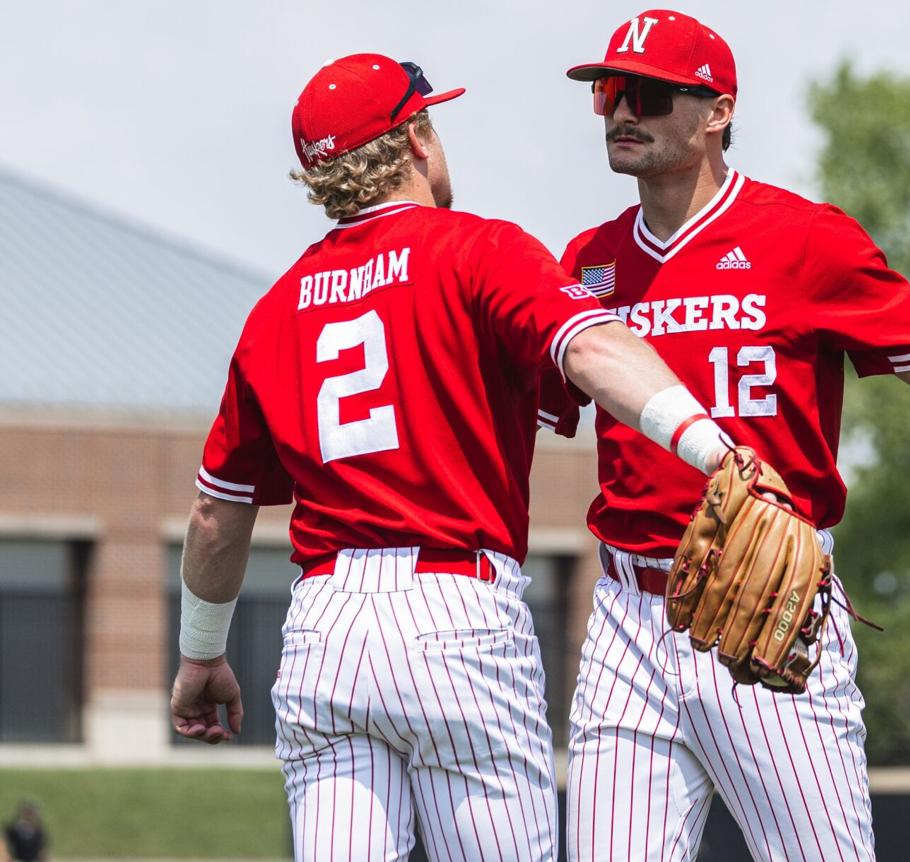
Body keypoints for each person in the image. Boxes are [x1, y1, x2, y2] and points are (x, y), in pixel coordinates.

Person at [539, 10, 910, 860]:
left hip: (770, 608)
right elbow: (525, 417)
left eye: (650, 92)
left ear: (716, 111)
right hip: (627, 618)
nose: (622, 109)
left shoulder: (806, 240)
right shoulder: (587, 263)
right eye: (608, 92)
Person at [168, 53, 736, 862]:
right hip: (454, 611)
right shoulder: (478, 250)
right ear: (417, 143)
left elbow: (216, 517)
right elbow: (597, 351)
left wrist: (200, 654)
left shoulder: (277, 307)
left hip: (327, 628)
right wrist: (717, 450)